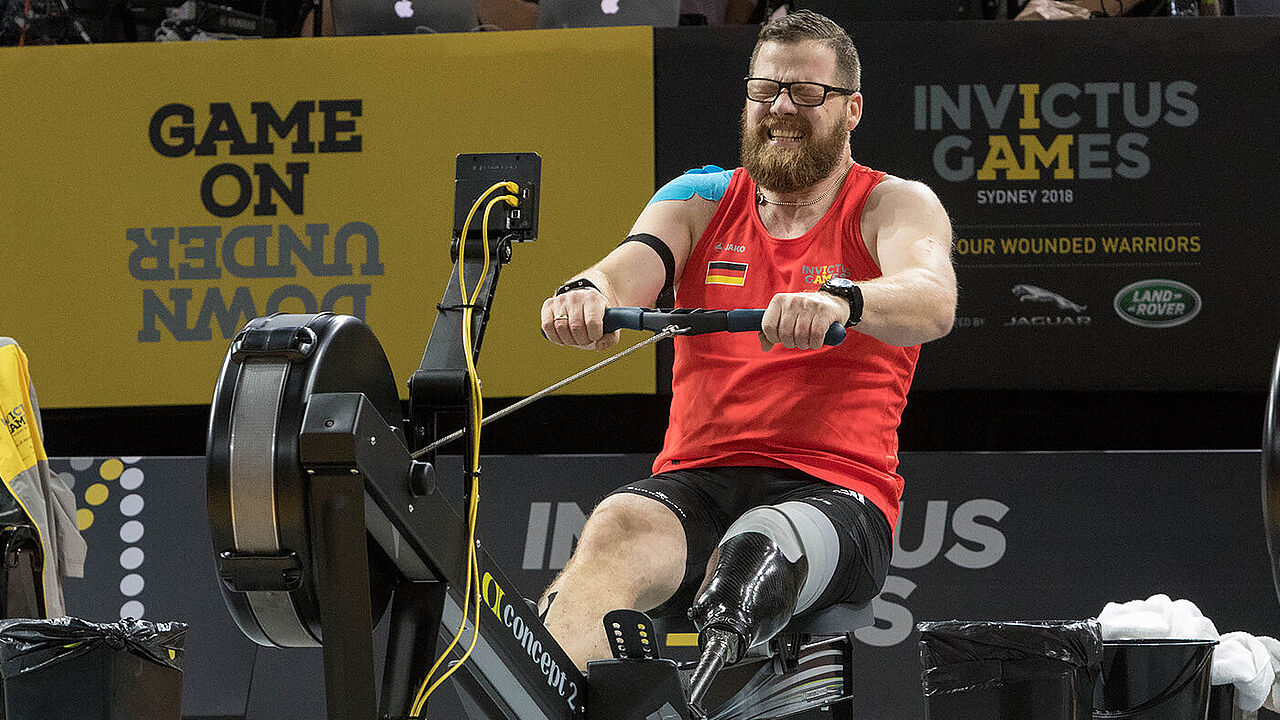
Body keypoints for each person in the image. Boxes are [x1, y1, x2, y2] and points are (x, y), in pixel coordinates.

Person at [538, 9, 956, 672]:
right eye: (766, 91)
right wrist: (584, 293)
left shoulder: (894, 204)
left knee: (756, 553)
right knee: (615, 528)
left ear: (852, 110)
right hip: (696, 486)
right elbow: (622, 270)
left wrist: (842, 298)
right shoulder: (700, 196)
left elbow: (933, 301)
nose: (782, 108)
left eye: (806, 93)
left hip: (835, 494)